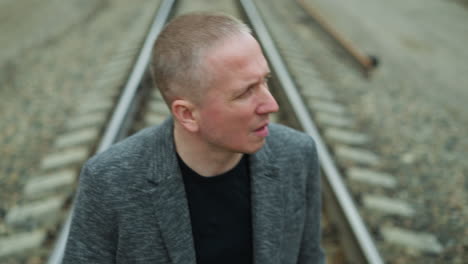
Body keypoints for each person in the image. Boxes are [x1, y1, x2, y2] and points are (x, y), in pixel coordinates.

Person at [63, 12, 324, 264]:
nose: (271, 104)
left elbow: (309, 257)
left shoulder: (298, 155)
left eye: (265, 81)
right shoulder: (109, 181)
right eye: (245, 92)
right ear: (187, 114)